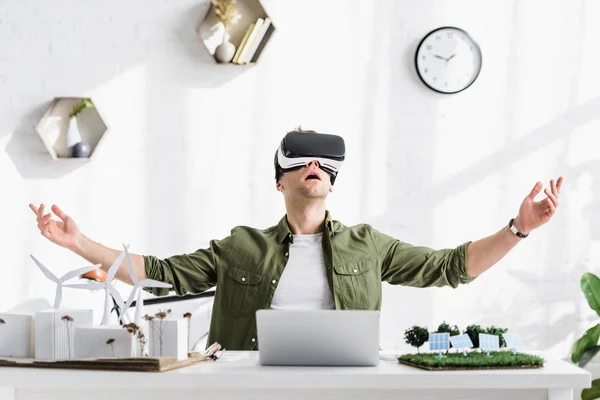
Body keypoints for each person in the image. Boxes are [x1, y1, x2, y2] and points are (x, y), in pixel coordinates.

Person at [29, 128, 563, 351]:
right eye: (300, 161)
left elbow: (452, 266)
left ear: (332, 181)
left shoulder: (367, 245)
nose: (314, 166)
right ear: (280, 181)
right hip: (246, 381)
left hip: (342, 386)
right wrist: (80, 244)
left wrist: (519, 229)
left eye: (324, 163)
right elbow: (159, 272)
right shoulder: (240, 246)